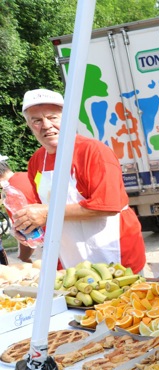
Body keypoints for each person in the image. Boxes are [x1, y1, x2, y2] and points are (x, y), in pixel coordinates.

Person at [13, 89, 146, 273]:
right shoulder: (36, 162)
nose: (46, 125)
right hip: (71, 259)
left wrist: (48, 213)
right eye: (36, 120)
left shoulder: (93, 151)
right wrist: (29, 227)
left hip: (116, 254)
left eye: (52, 117)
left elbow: (108, 205)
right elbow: (42, 210)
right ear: (29, 125)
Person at [0, 156, 36, 263]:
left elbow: (27, 229)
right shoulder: (28, 175)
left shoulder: (11, 193)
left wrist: (23, 258)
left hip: (42, 241)